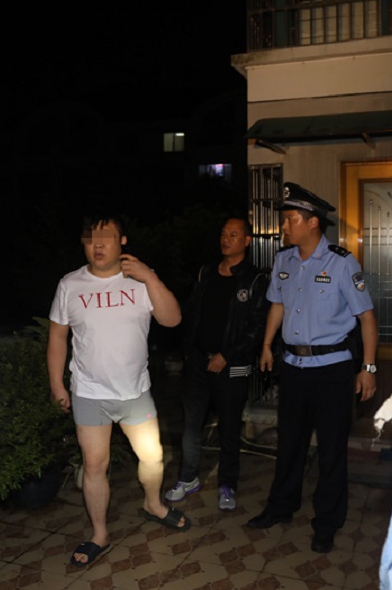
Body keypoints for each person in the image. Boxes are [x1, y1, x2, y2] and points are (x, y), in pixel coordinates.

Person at [48, 214, 190, 568]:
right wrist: (57, 384)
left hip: (135, 392)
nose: (97, 245)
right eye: (90, 238)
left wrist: (150, 277)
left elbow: (172, 319)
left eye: (106, 237)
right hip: (89, 393)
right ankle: (99, 533)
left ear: (122, 241)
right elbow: (58, 337)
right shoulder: (70, 285)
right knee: (94, 465)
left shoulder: (140, 280)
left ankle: (153, 504)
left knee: (152, 457)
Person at [246, 182, 379, 555]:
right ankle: (281, 506)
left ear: (312, 222)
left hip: (333, 370)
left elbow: (367, 318)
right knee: (290, 442)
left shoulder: (342, 263)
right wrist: (267, 345)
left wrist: (368, 368)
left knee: (331, 449)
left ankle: (327, 522)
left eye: (290, 219)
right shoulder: (284, 261)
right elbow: (277, 305)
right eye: (285, 220)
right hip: (293, 366)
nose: (284, 226)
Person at [165, 217, 268, 511]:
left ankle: (227, 485)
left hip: (232, 365)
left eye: (233, 235)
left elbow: (256, 327)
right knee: (191, 425)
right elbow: (193, 314)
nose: (226, 239)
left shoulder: (255, 279)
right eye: (223, 234)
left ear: (246, 241)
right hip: (199, 361)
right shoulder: (206, 273)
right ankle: (188, 478)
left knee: (229, 428)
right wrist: (189, 352)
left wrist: (227, 355)